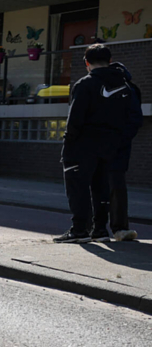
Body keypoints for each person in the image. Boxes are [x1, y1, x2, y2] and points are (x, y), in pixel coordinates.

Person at [55, 44, 131, 243]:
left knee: (77, 185)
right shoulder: (124, 86)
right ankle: (99, 230)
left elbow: (75, 119)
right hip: (110, 145)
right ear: (110, 60)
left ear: (87, 63)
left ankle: (79, 229)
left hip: (83, 145)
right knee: (101, 187)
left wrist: (68, 142)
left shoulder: (85, 84)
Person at [108, 62, 143, 241]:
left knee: (104, 185)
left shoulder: (110, 88)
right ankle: (119, 227)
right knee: (117, 186)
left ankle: (96, 228)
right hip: (120, 146)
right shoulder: (131, 89)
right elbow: (136, 119)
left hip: (107, 145)